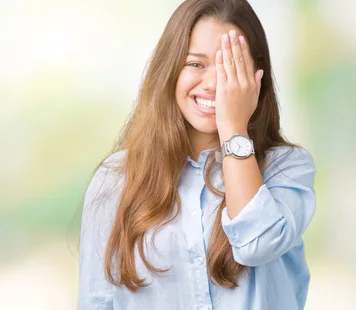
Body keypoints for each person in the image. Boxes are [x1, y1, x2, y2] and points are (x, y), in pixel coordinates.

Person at [77, 0, 316, 309]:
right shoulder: (117, 178)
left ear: (256, 78)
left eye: (231, 67)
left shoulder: (286, 169)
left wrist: (233, 127)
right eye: (196, 64)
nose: (215, 83)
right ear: (170, 69)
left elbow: (257, 244)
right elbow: (97, 300)